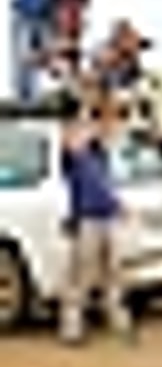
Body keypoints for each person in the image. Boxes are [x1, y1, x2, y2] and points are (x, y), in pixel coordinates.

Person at [56, 88, 136, 347]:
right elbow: (73, 140)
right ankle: (72, 327)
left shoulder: (100, 152)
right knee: (81, 275)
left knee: (114, 273)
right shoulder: (73, 149)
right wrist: (87, 110)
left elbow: (110, 131)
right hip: (87, 216)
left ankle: (118, 322)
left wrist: (105, 109)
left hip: (107, 215)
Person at [10, 0, 74, 102]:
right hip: (24, 14)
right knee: (24, 55)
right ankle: (25, 94)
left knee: (46, 51)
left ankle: (34, 89)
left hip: (45, 18)